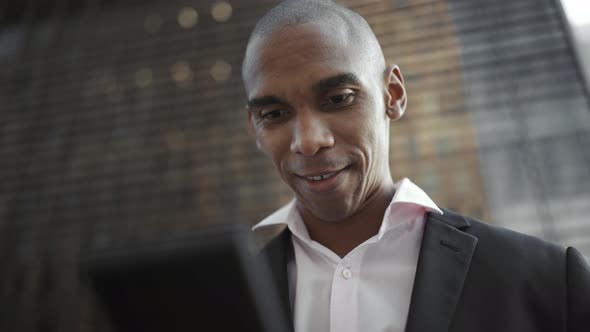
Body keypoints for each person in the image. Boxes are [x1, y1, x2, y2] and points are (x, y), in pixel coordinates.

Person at [240, 1, 590, 331]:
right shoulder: (220, 305)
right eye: (274, 115)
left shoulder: (548, 282)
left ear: (393, 95)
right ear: (254, 128)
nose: (309, 141)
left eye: (338, 99)